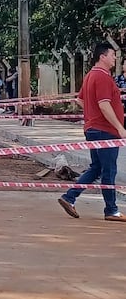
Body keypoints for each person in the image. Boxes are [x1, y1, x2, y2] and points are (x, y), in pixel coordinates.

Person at [58, 42, 126, 221]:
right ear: (102, 56)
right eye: (112, 55)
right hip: (105, 131)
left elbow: (80, 100)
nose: (115, 58)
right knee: (109, 170)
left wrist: (92, 115)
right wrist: (119, 127)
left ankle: (69, 197)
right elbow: (104, 104)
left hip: (93, 128)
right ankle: (111, 210)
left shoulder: (91, 76)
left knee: (97, 168)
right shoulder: (102, 77)